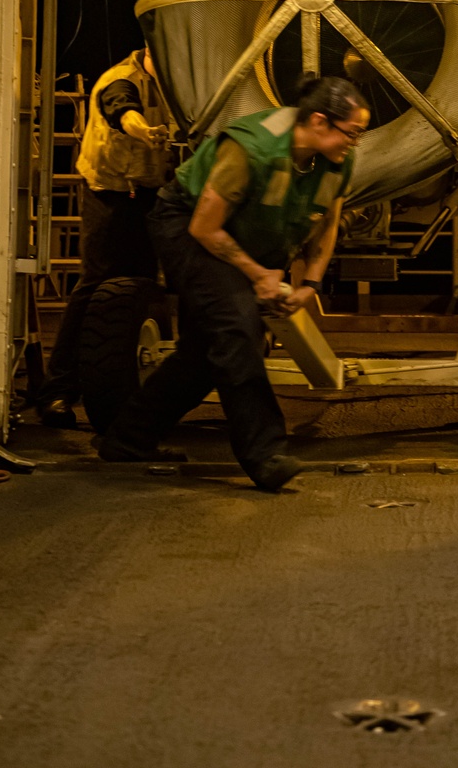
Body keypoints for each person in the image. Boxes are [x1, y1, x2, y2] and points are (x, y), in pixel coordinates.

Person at [98, 74, 370, 492]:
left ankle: (127, 440)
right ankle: (264, 455)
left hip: (249, 235)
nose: (356, 142)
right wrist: (258, 274)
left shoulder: (336, 160)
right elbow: (206, 227)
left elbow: (327, 222)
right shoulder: (253, 149)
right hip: (189, 225)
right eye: (352, 133)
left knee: (206, 353)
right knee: (237, 329)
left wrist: (310, 285)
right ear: (319, 122)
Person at [36, 45, 173, 427]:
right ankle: (58, 390)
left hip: (150, 192)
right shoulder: (120, 80)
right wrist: (145, 131)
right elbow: (122, 111)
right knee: (95, 286)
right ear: (150, 49)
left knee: (146, 288)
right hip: (110, 193)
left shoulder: (173, 80)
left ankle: (142, 389)